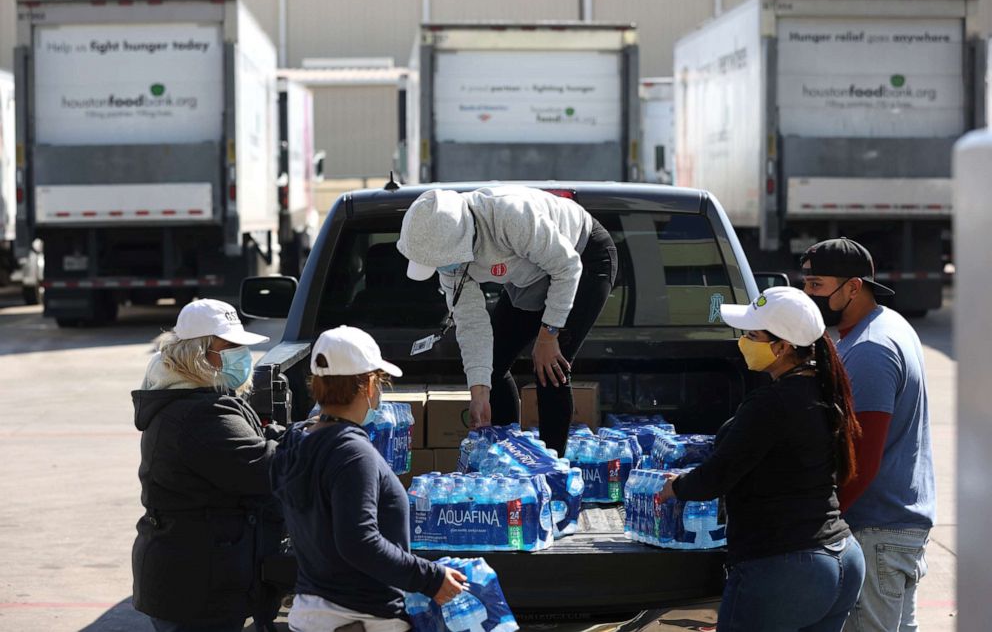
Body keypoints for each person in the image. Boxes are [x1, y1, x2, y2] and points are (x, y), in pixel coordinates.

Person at [658, 287, 866, 631]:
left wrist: (677, 487)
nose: (743, 341)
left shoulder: (771, 404)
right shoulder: (825, 391)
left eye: (752, 335)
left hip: (786, 567)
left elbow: (718, 474)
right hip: (841, 558)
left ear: (783, 347)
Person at [271, 325, 467, 632]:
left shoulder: (298, 440)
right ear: (369, 385)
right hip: (359, 619)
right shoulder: (351, 452)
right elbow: (358, 541)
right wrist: (431, 579)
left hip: (314, 613)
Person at [396, 185, 617, 455]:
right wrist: (479, 394)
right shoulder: (449, 262)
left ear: (461, 242)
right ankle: (506, 454)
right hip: (529, 277)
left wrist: (549, 334)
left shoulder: (508, 214)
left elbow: (567, 267)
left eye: (441, 263)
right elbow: (471, 324)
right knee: (492, 366)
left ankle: (552, 469)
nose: (441, 270)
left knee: (549, 367)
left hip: (581, 256)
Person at [801, 238, 936, 632]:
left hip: (876, 530)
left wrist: (820, 522)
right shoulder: (886, 325)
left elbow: (862, 458)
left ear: (854, 287)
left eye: (817, 285)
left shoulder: (871, 349)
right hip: (898, 523)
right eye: (806, 283)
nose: (808, 295)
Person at [131, 299, 284, 632]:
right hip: (196, 587)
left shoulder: (195, 397)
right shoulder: (198, 413)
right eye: (229, 346)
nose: (241, 355)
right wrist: (320, 438)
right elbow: (263, 468)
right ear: (197, 352)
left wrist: (282, 434)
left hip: (198, 576)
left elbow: (246, 443)